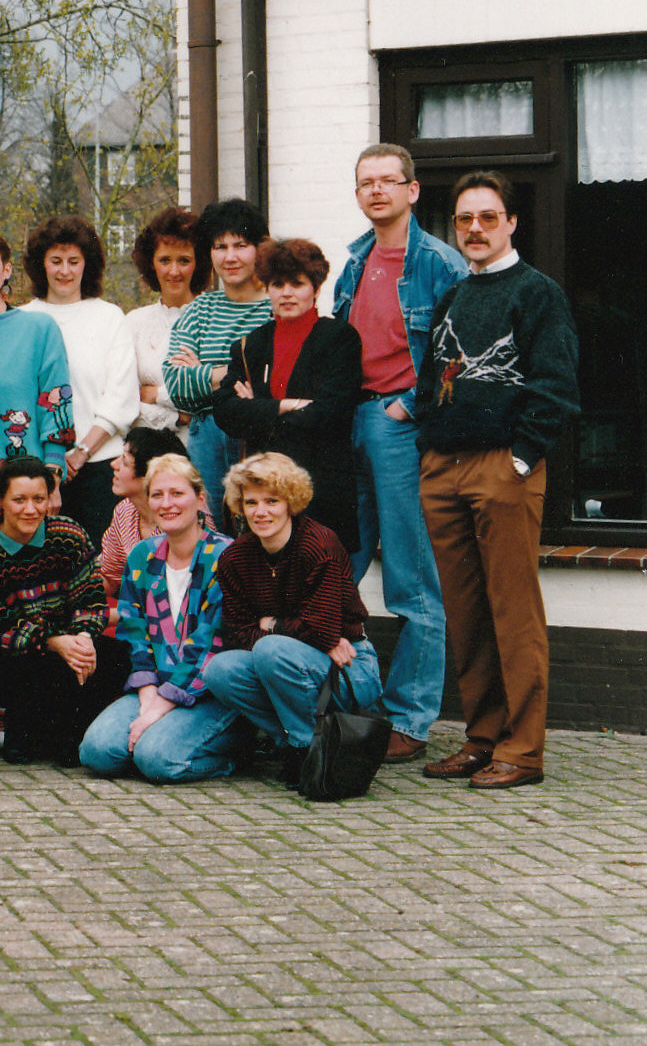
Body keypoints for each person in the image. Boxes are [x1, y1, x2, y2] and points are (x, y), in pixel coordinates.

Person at [414, 170, 579, 791]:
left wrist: (521, 456)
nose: (475, 229)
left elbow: (556, 385)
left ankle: (523, 750)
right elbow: (433, 378)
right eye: (464, 219)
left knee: (513, 611)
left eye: (488, 217)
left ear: (511, 222)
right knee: (465, 611)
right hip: (444, 467)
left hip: (502, 466)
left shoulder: (537, 293)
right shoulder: (455, 295)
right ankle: (482, 739)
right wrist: (430, 444)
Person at [332, 142, 466, 766]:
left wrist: (407, 406)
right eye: (367, 182)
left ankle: (410, 716)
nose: (377, 190)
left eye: (390, 181)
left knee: (413, 578)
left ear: (413, 190)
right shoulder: (355, 261)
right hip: (349, 419)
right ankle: (342, 701)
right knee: (335, 564)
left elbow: (460, 355)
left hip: (397, 422)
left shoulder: (439, 263)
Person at [203, 452, 380, 786]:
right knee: (221, 670)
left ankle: (302, 750)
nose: (261, 512)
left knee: (272, 650)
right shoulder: (235, 557)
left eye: (272, 500)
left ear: (291, 502)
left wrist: (270, 625)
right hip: (303, 659)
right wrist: (304, 635)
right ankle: (303, 742)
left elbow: (323, 628)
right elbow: (237, 634)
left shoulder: (319, 544)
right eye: (251, 502)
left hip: (350, 665)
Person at [79, 453, 241, 783]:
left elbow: (211, 646)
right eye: (157, 495)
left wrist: (158, 710)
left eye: (177, 493)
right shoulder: (143, 555)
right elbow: (133, 631)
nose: (167, 504)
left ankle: (234, 755)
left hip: (209, 694)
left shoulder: (227, 557)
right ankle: (163, 738)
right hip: (157, 686)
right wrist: (148, 695)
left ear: (200, 498)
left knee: (157, 761)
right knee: (96, 753)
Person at [0, 456, 127, 765]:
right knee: (34, 666)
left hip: (69, 645)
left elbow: (90, 597)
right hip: (8, 655)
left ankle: (69, 734)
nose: (30, 509)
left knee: (117, 657)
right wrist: (52, 641)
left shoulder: (68, 534)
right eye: (19, 500)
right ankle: (26, 731)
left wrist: (84, 637)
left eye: (39, 499)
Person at [211, 238, 364, 565]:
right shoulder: (250, 345)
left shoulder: (339, 338)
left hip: (321, 488)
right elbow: (226, 412)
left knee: (320, 592)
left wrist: (258, 409)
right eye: (278, 284)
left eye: (298, 283)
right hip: (264, 495)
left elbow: (330, 413)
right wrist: (286, 405)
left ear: (316, 289)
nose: (287, 293)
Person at [19, 215, 137, 545]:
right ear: (40, 265)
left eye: (74, 261)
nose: (65, 271)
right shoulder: (24, 319)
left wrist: (81, 451)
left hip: (98, 466)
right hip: (37, 469)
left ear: (88, 265)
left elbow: (121, 397)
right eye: (56, 261)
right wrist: (52, 460)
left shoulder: (109, 316)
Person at [164, 197, 272, 504]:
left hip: (259, 436)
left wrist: (203, 372)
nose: (230, 257)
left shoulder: (275, 308)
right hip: (206, 438)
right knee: (210, 530)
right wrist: (238, 373)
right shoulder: (199, 309)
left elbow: (273, 380)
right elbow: (176, 384)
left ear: (258, 249)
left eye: (240, 245)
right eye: (220, 247)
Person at [0, 227, 72, 481]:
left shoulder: (39, 329)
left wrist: (53, 469)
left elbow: (54, 399)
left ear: (6, 270)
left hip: (26, 482)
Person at [97, 425, 203, 614]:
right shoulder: (125, 511)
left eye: (125, 462)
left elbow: (182, 603)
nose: (114, 464)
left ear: (150, 475)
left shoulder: (187, 520)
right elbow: (108, 575)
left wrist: (105, 616)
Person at [125, 207, 204, 440]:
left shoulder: (211, 317)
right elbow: (125, 401)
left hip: (199, 451)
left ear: (198, 263)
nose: (174, 271)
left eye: (184, 260)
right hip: (147, 452)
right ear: (151, 263)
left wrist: (155, 394)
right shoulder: (134, 322)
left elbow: (207, 400)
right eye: (165, 260)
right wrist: (177, 416)